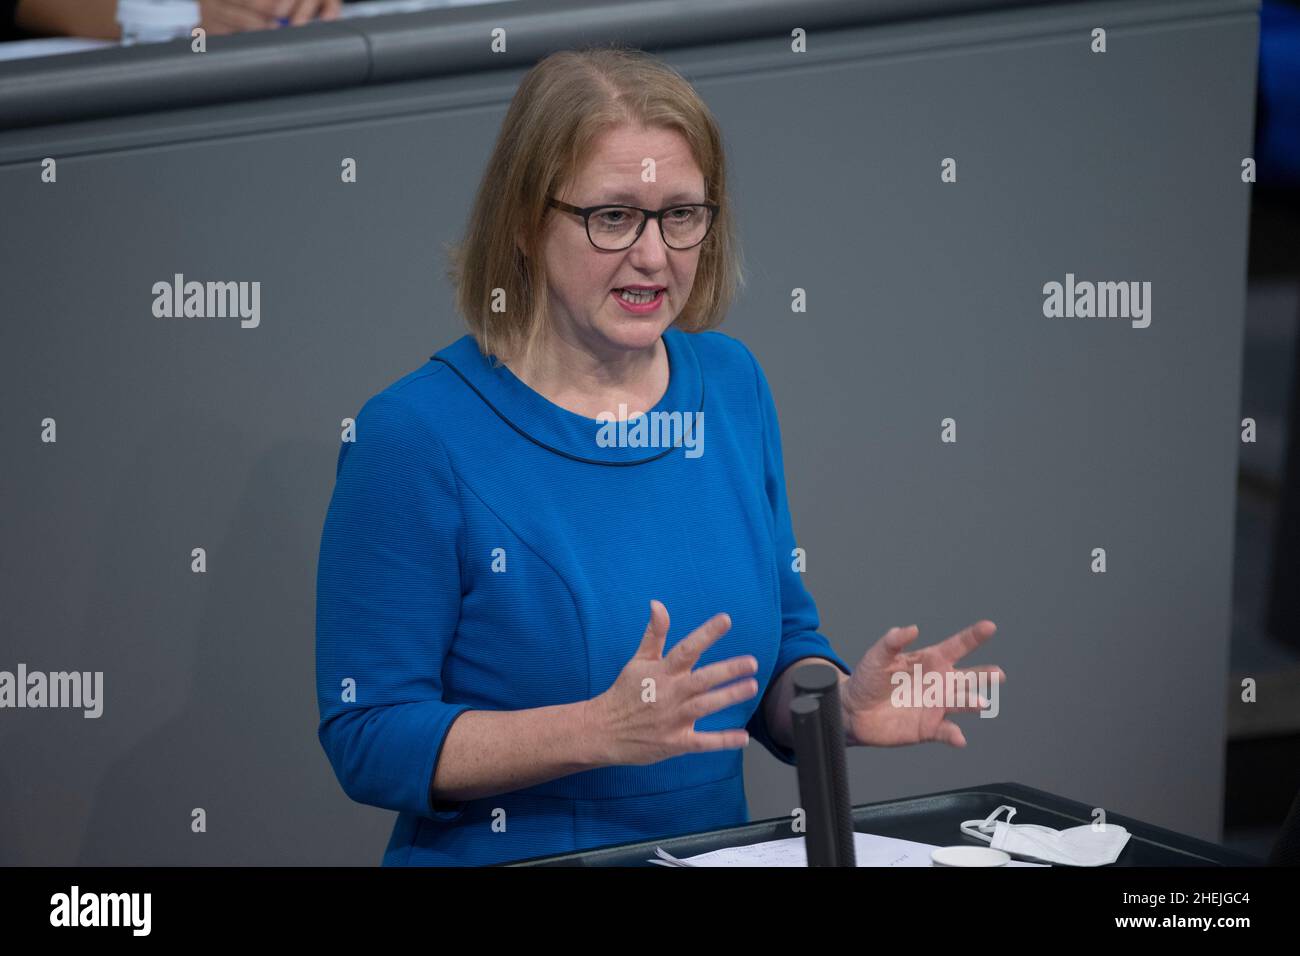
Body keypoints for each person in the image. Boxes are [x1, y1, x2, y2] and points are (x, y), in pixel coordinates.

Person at [314, 45, 1006, 867]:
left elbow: (780, 638)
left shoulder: (731, 384)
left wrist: (835, 708)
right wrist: (593, 731)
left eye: (681, 214)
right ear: (525, 225)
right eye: (613, 216)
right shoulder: (414, 435)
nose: (653, 255)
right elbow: (368, 735)